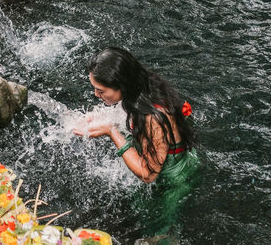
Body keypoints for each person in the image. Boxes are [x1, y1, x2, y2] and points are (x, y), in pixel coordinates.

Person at [73, 46, 198, 183]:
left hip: (175, 181)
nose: (96, 95)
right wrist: (98, 117)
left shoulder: (152, 118)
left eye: (101, 91)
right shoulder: (142, 84)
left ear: (122, 86)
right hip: (173, 162)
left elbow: (148, 175)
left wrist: (112, 132)